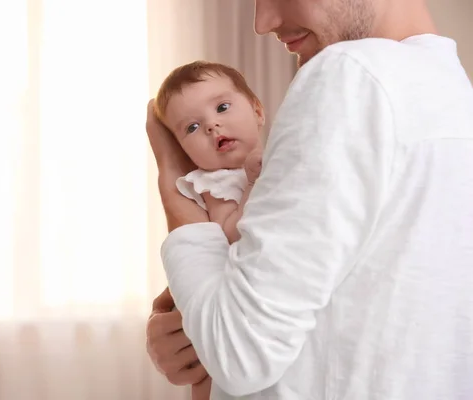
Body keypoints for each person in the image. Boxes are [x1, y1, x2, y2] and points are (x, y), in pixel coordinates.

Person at [145, 0, 473, 399]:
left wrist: (173, 185)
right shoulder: (448, 89)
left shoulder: (348, 74)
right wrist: (193, 325)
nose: (262, 23)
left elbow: (237, 354)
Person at [153, 61, 266, 243]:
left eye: (222, 108)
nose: (211, 125)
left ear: (257, 112)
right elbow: (231, 234)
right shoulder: (215, 183)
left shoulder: (280, 152)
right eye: (192, 127)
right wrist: (252, 185)